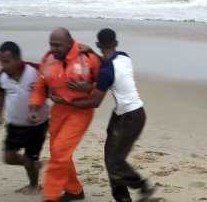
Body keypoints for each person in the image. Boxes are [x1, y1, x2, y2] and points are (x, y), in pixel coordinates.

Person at [50, 29, 156, 202]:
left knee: (115, 161)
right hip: (128, 114)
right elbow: (108, 63)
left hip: (130, 118)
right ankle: (122, 198)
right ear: (116, 43)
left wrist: (66, 102)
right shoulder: (124, 56)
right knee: (110, 158)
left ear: (99, 44)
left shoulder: (106, 72)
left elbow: (95, 102)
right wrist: (91, 53)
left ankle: (142, 186)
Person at [29, 28, 102, 202]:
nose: (54, 48)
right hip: (59, 109)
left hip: (81, 111)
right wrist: (35, 105)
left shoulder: (88, 58)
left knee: (60, 151)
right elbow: (41, 83)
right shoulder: (48, 59)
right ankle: (74, 191)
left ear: (70, 43)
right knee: (57, 151)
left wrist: (90, 88)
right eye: (51, 44)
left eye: (58, 45)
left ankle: (50, 195)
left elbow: (104, 83)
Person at [0, 41, 49, 195]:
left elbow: (54, 84)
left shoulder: (35, 71)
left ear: (18, 59)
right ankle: (33, 163)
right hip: (14, 125)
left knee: (30, 156)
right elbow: (0, 93)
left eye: (7, 61)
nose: (3, 65)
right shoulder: (2, 76)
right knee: (8, 157)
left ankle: (33, 185)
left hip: (37, 124)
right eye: (1, 61)